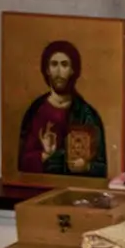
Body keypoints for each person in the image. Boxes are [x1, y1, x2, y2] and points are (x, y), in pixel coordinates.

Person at [17, 40, 107, 176]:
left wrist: (86, 166)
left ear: (73, 70)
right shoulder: (35, 111)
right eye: (54, 64)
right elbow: (22, 164)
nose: (59, 72)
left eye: (64, 64)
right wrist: (45, 155)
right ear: (47, 70)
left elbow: (102, 167)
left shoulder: (87, 114)